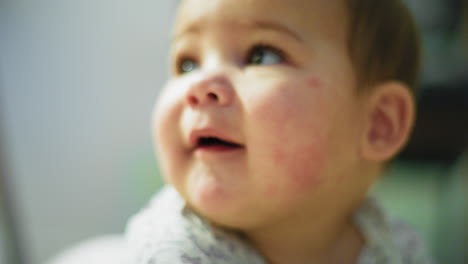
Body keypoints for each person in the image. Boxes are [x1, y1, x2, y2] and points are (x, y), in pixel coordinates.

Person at [123, 0, 433, 263]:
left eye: (262, 55)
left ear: (378, 123)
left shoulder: (399, 249)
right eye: (187, 63)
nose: (199, 86)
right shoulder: (171, 251)